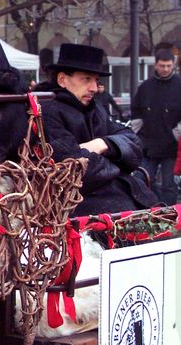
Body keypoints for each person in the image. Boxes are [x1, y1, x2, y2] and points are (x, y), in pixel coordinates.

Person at [40, 43, 157, 217]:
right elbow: (75, 169)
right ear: (62, 79)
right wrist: (118, 161)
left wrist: (102, 144)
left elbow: (135, 144)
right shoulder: (48, 113)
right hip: (85, 210)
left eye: (96, 80)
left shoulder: (96, 109)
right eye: (86, 79)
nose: (94, 88)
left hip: (124, 199)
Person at [130, 48, 181, 206]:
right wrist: (137, 134)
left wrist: (177, 133)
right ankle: (153, 210)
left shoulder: (179, 85)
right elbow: (136, 110)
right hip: (148, 146)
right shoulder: (146, 87)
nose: (165, 69)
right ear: (156, 65)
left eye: (168, 65)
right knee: (141, 180)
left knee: (169, 185)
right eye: (162, 65)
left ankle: (170, 218)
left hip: (171, 147)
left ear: (173, 65)